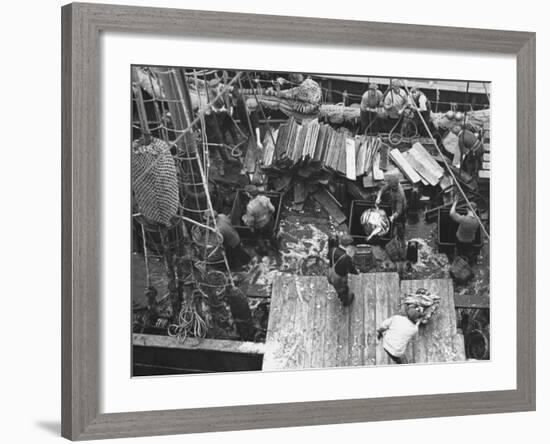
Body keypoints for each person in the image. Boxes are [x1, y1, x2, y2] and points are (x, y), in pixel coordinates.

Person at [241, 185, 276, 254]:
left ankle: (264, 251)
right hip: (269, 221)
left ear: (249, 194)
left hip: (259, 226)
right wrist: (267, 215)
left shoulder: (250, 207)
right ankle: (275, 247)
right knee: (271, 235)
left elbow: (250, 221)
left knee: (259, 237)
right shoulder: (264, 198)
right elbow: (272, 209)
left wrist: (246, 221)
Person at [327, 234, 358, 307]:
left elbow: (329, 257)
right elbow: (351, 269)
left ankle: (340, 294)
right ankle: (345, 301)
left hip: (330, 273)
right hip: (339, 278)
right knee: (343, 289)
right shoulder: (346, 258)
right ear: (348, 245)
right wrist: (356, 272)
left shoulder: (333, 249)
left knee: (337, 288)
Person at [375, 174, 407, 240]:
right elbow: (382, 190)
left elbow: (398, 211)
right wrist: (378, 197)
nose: (392, 188)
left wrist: (393, 216)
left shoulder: (399, 194)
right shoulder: (391, 184)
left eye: (393, 187)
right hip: (393, 202)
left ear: (396, 185)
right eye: (391, 186)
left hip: (401, 209)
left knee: (399, 223)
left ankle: (401, 237)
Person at [450, 197, 480, 265]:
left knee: (458, 252)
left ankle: (457, 262)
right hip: (470, 241)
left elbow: (452, 213)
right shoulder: (478, 220)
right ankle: (469, 262)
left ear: (467, 209)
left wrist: (455, 202)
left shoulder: (463, 219)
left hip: (460, 240)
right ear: (475, 210)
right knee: (469, 252)